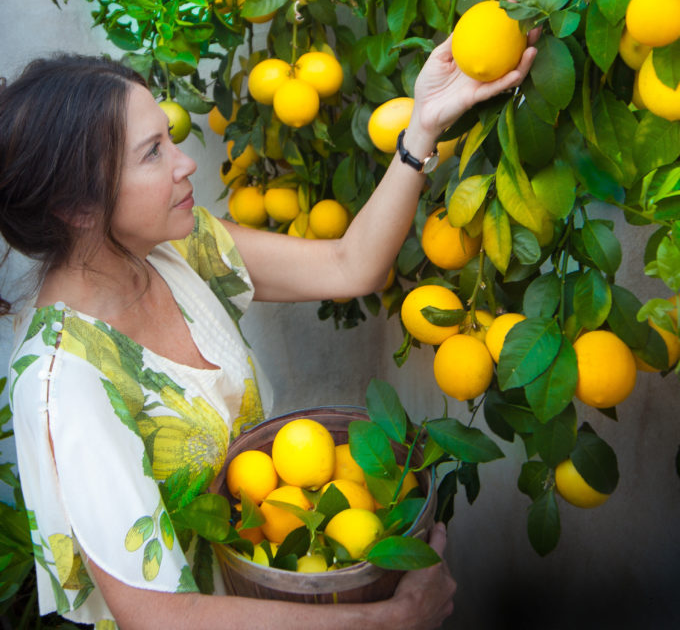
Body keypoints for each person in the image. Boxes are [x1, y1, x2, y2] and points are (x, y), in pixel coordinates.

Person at [0, 31, 536, 629]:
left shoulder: (173, 250)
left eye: (170, 138)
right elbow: (156, 618)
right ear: (76, 207)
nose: (185, 163)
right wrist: (393, 620)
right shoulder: (65, 381)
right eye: (153, 152)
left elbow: (349, 264)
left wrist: (423, 129)